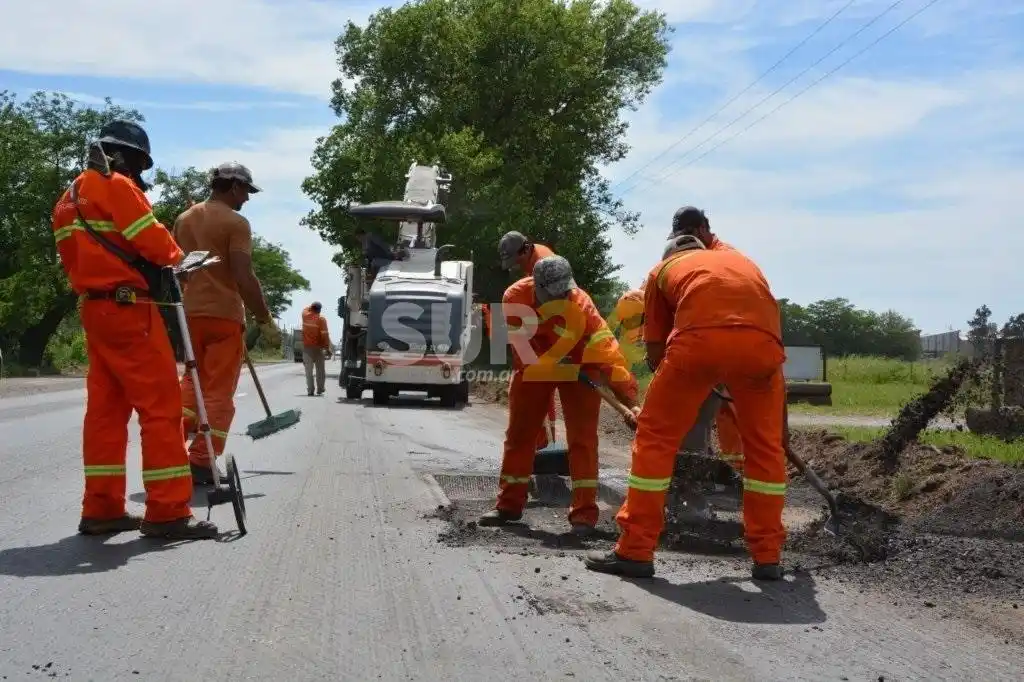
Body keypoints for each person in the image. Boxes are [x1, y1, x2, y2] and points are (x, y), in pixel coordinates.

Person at [585, 234, 788, 581]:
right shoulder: (745, 263)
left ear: (669, 255)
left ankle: (635, 550)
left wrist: (662, 405)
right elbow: (762, 324)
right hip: (763, 350)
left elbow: (655, 347)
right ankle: (768, 557)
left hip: (697, 345)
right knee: (765, 448)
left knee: (655, 440)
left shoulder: (662, 270)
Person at [51, 119, 217, 539]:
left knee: (105, 414)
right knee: (161, 408)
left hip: (95, 311)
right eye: (139, 163)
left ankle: (102, 507)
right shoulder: (117, 187)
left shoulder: (67, 198)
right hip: (130, 311)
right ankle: (167, 512)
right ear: (124, 156)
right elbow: (157, 245)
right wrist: (180, 258)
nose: (139, 174)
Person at [479, 255, 639, 534]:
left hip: (581, 364)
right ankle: (509, 505)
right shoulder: (515, 297)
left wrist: (631, 401)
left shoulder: (583, 307)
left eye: (565, 292)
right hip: (534, 363)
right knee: (520, 434)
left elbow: (609, 358)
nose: (563, 298)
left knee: (584, 440)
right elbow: (521, 346)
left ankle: (583, 516)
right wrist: (550, 361)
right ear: (537, 288)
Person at [173, 162, 280, 486]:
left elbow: (177, 269)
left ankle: (171, 454)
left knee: (191, 384)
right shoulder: (236, 223)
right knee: (218, 392)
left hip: (189, 314)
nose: (247, 198)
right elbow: (243, 275)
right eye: (246, 191)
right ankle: (203, 462)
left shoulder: (184, 219)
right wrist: (264, 319)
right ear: (234, 186)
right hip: (223, 317)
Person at [666, 206, 745, 472]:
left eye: (688, 234)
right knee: (708, 411)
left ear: (702, 230)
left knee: (728, 413)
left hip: (731, 337)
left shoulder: (724, 257)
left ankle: (735, 474)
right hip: (717, 338)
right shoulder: (695, 256)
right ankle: (715, 467)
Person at [497, 230, 559, 448]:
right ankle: (545, 443)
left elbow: (550, 306)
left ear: (526, 249)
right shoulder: (535, 258)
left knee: (532, 383)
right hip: (546, 326)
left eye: (516, 260)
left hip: (553, 328)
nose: (516, 266)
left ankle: (542, 444)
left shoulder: (543, 264)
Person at [301, 301, 332, 396]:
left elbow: (307, 308)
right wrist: (327, 349)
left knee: (308, 372)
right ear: (319, 310)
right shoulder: (321, 319)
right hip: (318, 348)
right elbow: (325, 336)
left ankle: (310, 390)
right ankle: (320, 389)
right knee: (320, 371)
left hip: (307, 349)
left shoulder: (304, 315)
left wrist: (312, 307)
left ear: (312, 308)